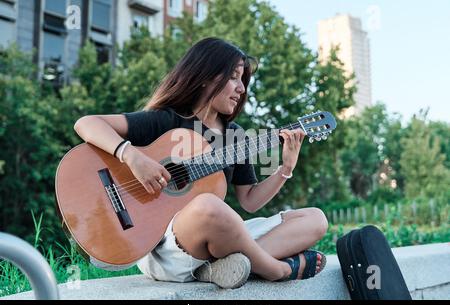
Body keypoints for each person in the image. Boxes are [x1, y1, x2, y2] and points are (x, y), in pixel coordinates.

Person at [74, 37, 328, 289]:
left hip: (215, 244)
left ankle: (227, 267)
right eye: (234, 77)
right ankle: (277, 269)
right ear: (206, 76)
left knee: (315, 219)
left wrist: (285, 169)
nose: (241, 88)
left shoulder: (234, 136)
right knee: (209, 205)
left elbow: (250, 201)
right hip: (167, 250)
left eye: (243, 80)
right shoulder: (168, 120)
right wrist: (131, 156)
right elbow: (86, 123)